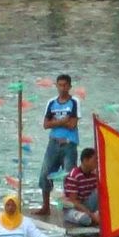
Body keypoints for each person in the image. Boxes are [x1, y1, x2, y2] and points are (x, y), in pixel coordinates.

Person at [37, 76, 80, 217]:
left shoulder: (74, 102)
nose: (62, 88)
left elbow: (73, 124)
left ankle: (69, 207)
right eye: (59, 85)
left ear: (69, 86)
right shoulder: (51, 103)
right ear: (57, 86)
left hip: (69, 144)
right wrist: (63, 121)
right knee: (45, 173)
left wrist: (55, 122)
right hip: (53, 143)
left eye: (64, 85)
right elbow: (45, 125)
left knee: (69, 176)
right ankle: (45, 206)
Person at [61, 148, 99, 226]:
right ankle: (93, 218)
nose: (97, 163)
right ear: (85, 160)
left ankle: (95, 217)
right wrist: (91, 215)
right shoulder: (74, 175)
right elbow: (74, 202)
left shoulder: (94, 174)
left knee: (100, 190)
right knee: (85, 219)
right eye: (94, 160)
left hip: (86, 204)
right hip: (73, 208)